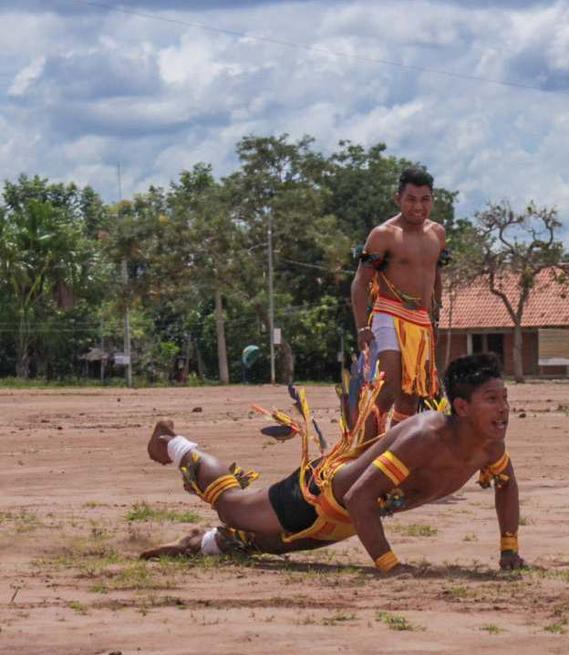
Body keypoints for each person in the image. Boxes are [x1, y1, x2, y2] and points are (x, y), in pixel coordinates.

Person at [141, 353, 524, 574]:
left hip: (350, 520)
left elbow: (506, 483)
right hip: (316, 497)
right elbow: (359, 496)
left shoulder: (489, 443)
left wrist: (509, 549)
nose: (504, 408)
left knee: (264, 547)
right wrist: (389, 565)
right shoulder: (424, 438)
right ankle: (170, 442)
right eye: (492, 399)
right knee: (232, 508)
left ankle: (197, 543)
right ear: (461, 407)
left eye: (504, 398)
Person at [350, 166, 447, 436]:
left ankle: (395, 456)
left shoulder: (438, 234)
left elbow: (437, 273)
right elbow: (361, 281)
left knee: (411, 395)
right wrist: (361, 327)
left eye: (425, 199)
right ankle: (363, 454)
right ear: (398, 199)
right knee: (388, 386)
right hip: (388, 314)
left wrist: (435, 316)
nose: (418, 206)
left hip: (422, 321)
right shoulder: (382, 235)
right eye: (411, 199)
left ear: (432, 200)